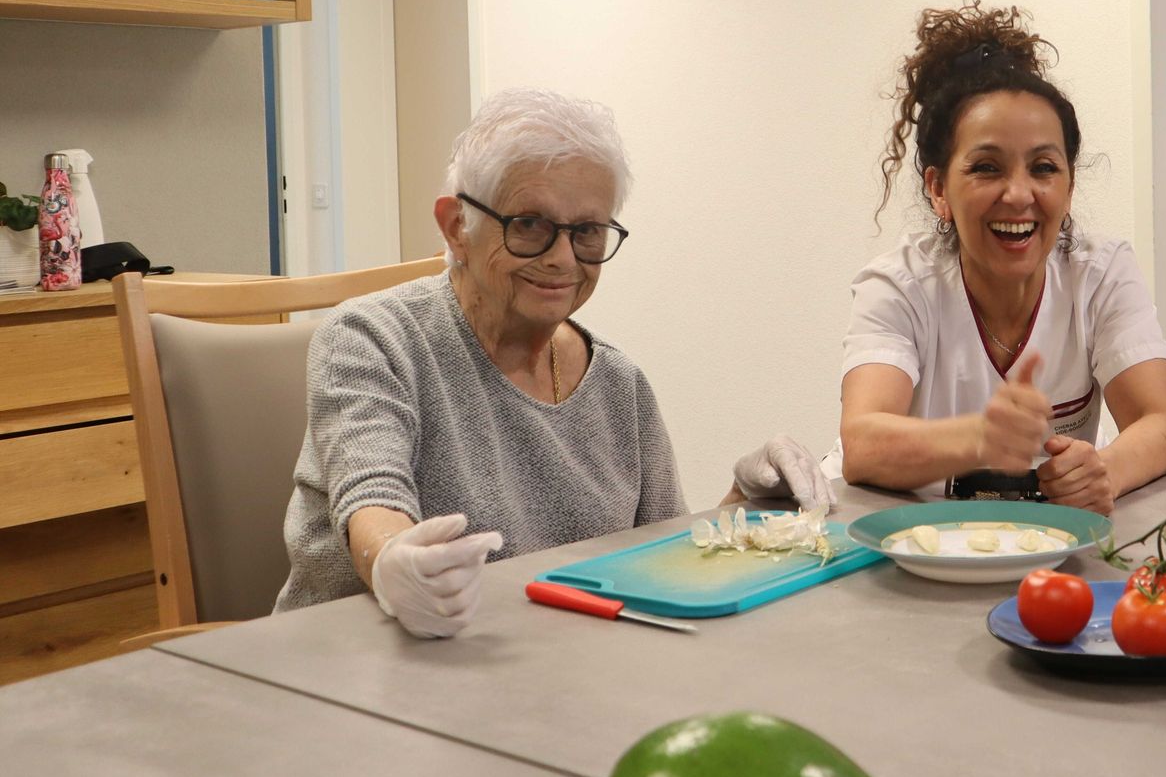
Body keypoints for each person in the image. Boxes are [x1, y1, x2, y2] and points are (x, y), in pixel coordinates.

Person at [275, 88, 832, 636]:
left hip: (553, 668)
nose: (563, 258)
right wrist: (393, 559)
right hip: (354, 663)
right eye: (529, 224)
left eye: (586, 232)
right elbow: (373, 500)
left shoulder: (620, 385)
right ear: (457, 226)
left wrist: (744, 509)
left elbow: (662, 560)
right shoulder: (372, 338)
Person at [835, 2, 1166, 515]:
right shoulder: (898, 286)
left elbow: (1160, 425)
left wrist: (1102, 473)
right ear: (938, 189)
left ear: (1069, 186)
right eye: (986, 168)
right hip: (908, 538)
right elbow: (862, 445)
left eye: (1043, 167)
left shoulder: (1100, 273)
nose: (1019, 194)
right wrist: (980, 437)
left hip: (1043, 543)